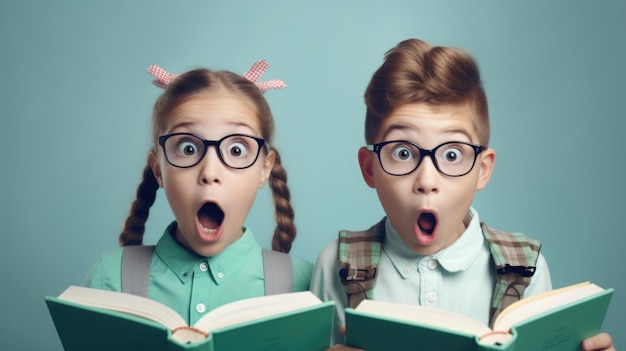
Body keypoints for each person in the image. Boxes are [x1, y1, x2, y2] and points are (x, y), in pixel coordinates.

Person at [310, 39, 614, 351]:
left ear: (483, 169)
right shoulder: (335, 264)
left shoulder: (527, 269)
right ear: (370, 168)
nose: (426, 181)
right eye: (402, 152)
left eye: (452, 155)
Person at [83, 60, 312, 326]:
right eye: (188, 148)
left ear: (264, 168)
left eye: (236, 150)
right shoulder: (107, 280)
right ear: (159, 169)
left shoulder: (306, 286)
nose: (210, 172)